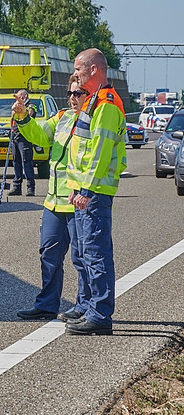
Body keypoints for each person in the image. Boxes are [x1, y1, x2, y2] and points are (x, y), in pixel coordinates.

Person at [11, 79, 91, 320]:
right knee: (49, 254)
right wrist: (23, 116)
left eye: (78, 93)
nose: (72, 97)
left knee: (81, 257)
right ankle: (47, 304)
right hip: (54, 202)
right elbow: (40, 136)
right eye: (70, 93)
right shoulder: (62, 117)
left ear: (89, 94)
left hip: (79, 201)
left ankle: (84, 307)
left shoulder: (93, 120)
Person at [63, 48, 127, 336]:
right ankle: (90, 306)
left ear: (93, 70)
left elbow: (100, 152)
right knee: (85, 252)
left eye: (78, 68)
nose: (75, 73)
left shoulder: (107, 104)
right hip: (85, 189)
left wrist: (86, 188)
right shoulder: (94, 102)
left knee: (96, 253)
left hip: (95, 190)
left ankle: (100, 314)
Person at [9, 88, 36, 196]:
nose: (20, 99)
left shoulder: (31, 105)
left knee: (27, 162)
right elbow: (12, 118)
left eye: (22, 97)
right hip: (15, 137)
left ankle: (30, 187)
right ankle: (17, 187)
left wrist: (22, 109)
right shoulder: (16, 107)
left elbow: (30, 114)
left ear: (25, 97)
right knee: (16, 162)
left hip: (25, 137)